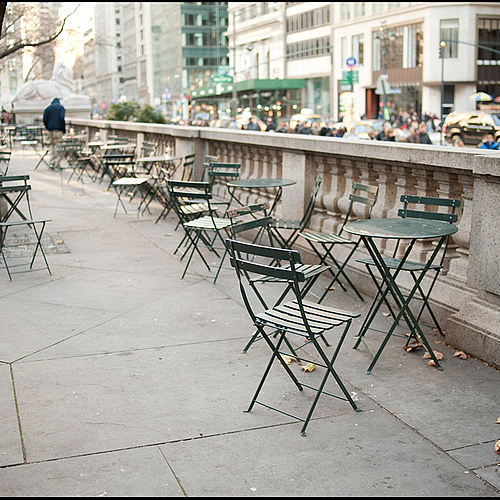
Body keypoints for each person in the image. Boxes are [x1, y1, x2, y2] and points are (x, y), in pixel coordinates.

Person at [43, 97, 66, 170]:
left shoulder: (48, 108)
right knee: (58, 147)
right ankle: (56, 164)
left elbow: (44, 119)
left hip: (50, 131)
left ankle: (51, 162)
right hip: (58, 130)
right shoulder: (61, 108)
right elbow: (62, 119)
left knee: (52, 146)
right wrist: (63, 130)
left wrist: (48, 127)